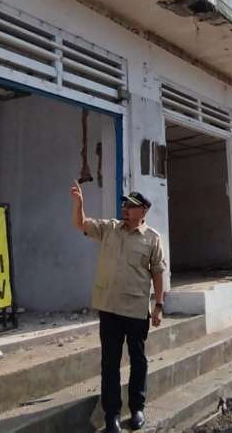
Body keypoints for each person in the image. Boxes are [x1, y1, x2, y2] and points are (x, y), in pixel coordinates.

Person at [70, 182, 166, 433]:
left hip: (136, 309)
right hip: (109, 308)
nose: (125, 209)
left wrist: (158, 305)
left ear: (143, 211)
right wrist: (79, 204)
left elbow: (157, 272)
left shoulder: (153, 238)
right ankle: (111, 414)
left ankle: (137, 409)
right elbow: (81, 224)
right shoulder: (110, 229)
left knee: (138, 361)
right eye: (125, 204)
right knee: (109, 363)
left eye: (132, 206)